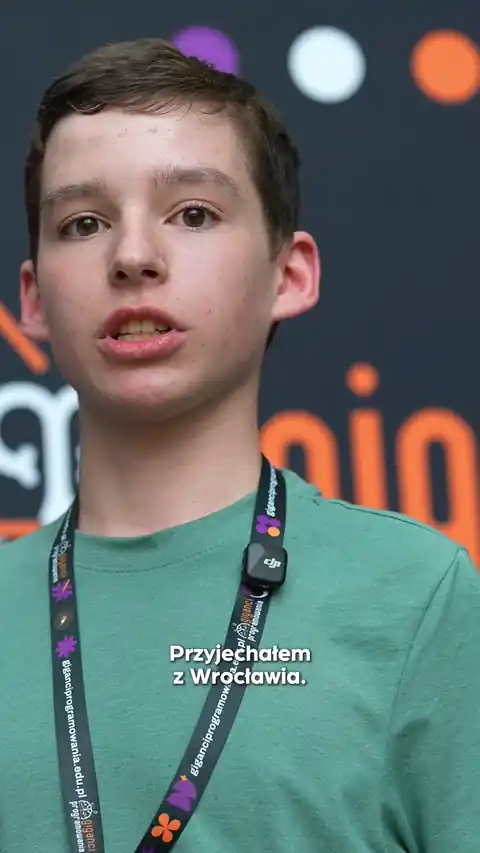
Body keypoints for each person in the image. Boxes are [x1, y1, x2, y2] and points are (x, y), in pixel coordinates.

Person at [0, 37, 478, 853]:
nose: (134, 257)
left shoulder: (420, 597)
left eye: (193, 213)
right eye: (83, 222)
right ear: (35, 300)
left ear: (288, 275)